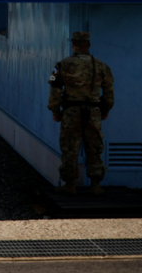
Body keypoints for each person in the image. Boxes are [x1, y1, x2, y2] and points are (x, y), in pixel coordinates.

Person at [47, 31, 114, 196]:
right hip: (93, 112)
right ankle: (96, 185)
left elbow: (55, 93)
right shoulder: (101, 66)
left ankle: (70, 185)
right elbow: (109, 95)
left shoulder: (61, 65)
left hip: (71, 112)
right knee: (94, 147)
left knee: (70, 148)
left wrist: (56, 112)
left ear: (73, 45)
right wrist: (104, 111)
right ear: (89, 45)